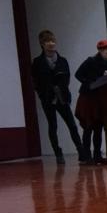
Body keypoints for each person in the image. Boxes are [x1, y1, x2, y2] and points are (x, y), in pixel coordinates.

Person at [30, 30, 83, 164]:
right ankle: (58, 153)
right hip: (47, 99)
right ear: (42, 44)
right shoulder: (37, 62)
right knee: (53, 126)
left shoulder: (62, 61)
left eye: (53, 41)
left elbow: (67, 78)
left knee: (72, 125)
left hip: (62, 97)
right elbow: (35, 81)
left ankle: (81, 151)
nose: (51, 43)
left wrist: (61, 89)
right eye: (48, 41)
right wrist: (42, 95)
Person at [74, 39, 107, 164]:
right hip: (88, 98)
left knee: (98, 128)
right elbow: (78, 75)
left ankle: (97, 155)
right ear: (100, 50)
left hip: (101, 100)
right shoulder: (91, 61)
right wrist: (92, 83)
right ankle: (86, 156)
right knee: (88, 127)